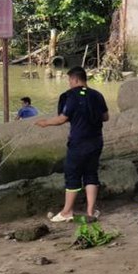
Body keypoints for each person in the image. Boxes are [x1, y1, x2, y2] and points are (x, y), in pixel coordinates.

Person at [35, 66, 109, 222]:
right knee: (91, 174)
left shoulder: (72, 97)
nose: (69, 83)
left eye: (69, 80)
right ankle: (90, 211)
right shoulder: (97, 95)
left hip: (78, 142)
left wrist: (45, 123)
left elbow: (62, 118)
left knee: (72, 175)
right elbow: (105, 117)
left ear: (75, 79)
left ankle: (67, 211)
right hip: (96, 141)